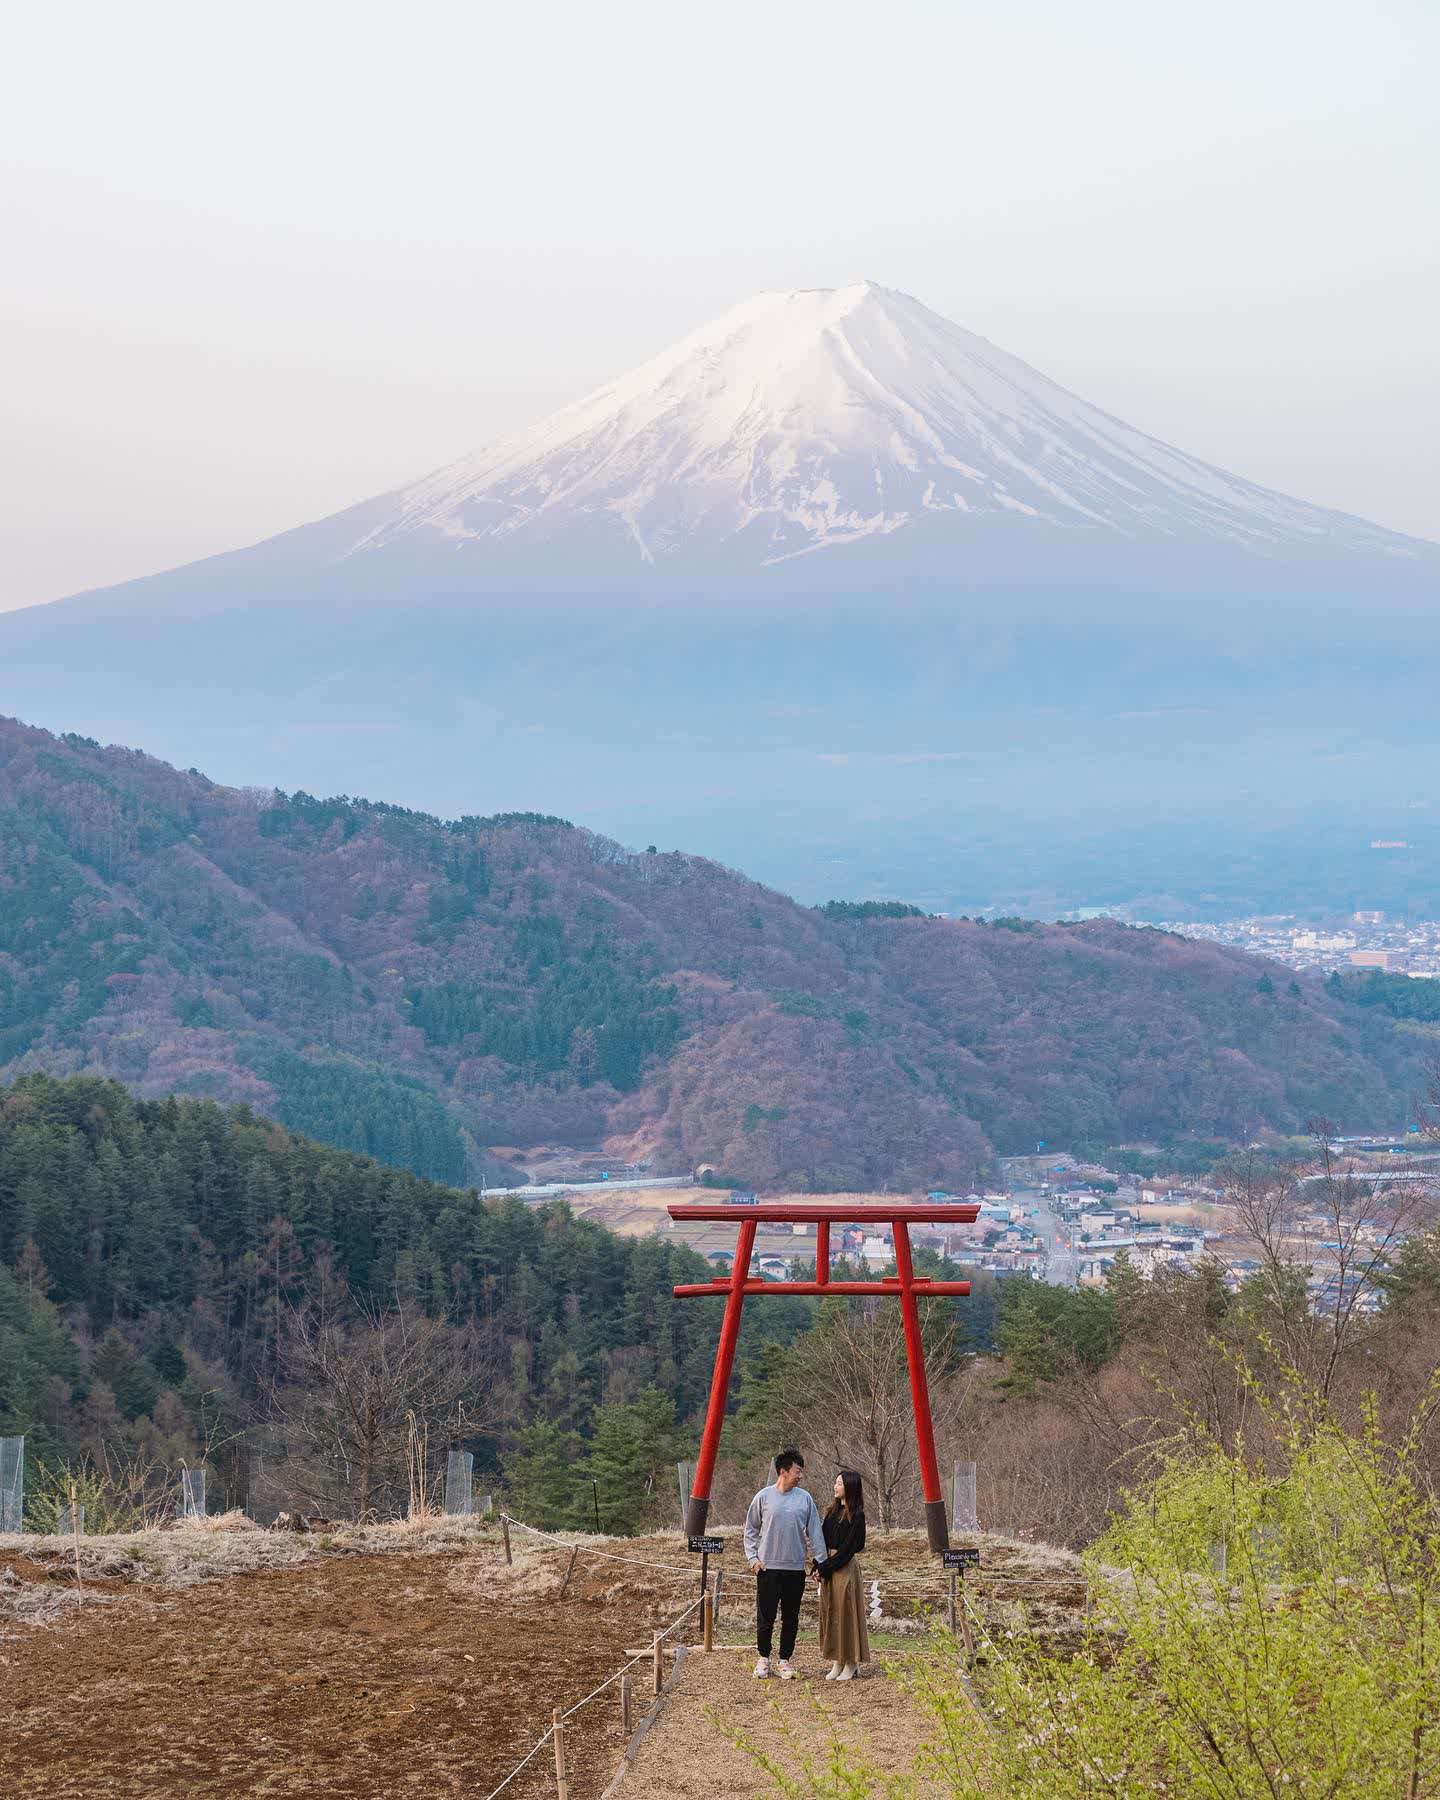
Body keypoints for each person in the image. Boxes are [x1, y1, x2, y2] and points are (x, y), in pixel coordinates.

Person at [743, 1448, 828, 1679]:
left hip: (794, 1569)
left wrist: (821, 1563)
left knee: (791, 1617)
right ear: (783, 1471)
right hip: (768, 1568)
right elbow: (750, 1530)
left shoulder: (805, 1499)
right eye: (797, 1470)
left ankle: (784, 1660)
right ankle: (763, 1659)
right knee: (766, 1616)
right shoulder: (763, 1497)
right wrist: (753, 1559)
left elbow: (815, 1533)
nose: (800, 1475)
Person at [815, 1468, 869, 1681]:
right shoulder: (831, 1512)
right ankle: (838, 1659)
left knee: (847, 1613)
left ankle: (851, 1661)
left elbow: (849, 1550)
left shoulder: (857, 1515)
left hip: (844, 1569)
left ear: (850, 1486)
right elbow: (822, 1540)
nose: (835, 1486)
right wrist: (817, 1565)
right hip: (829, 1565)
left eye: (839, 1483)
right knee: (832, 1613)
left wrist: (825, 1566)